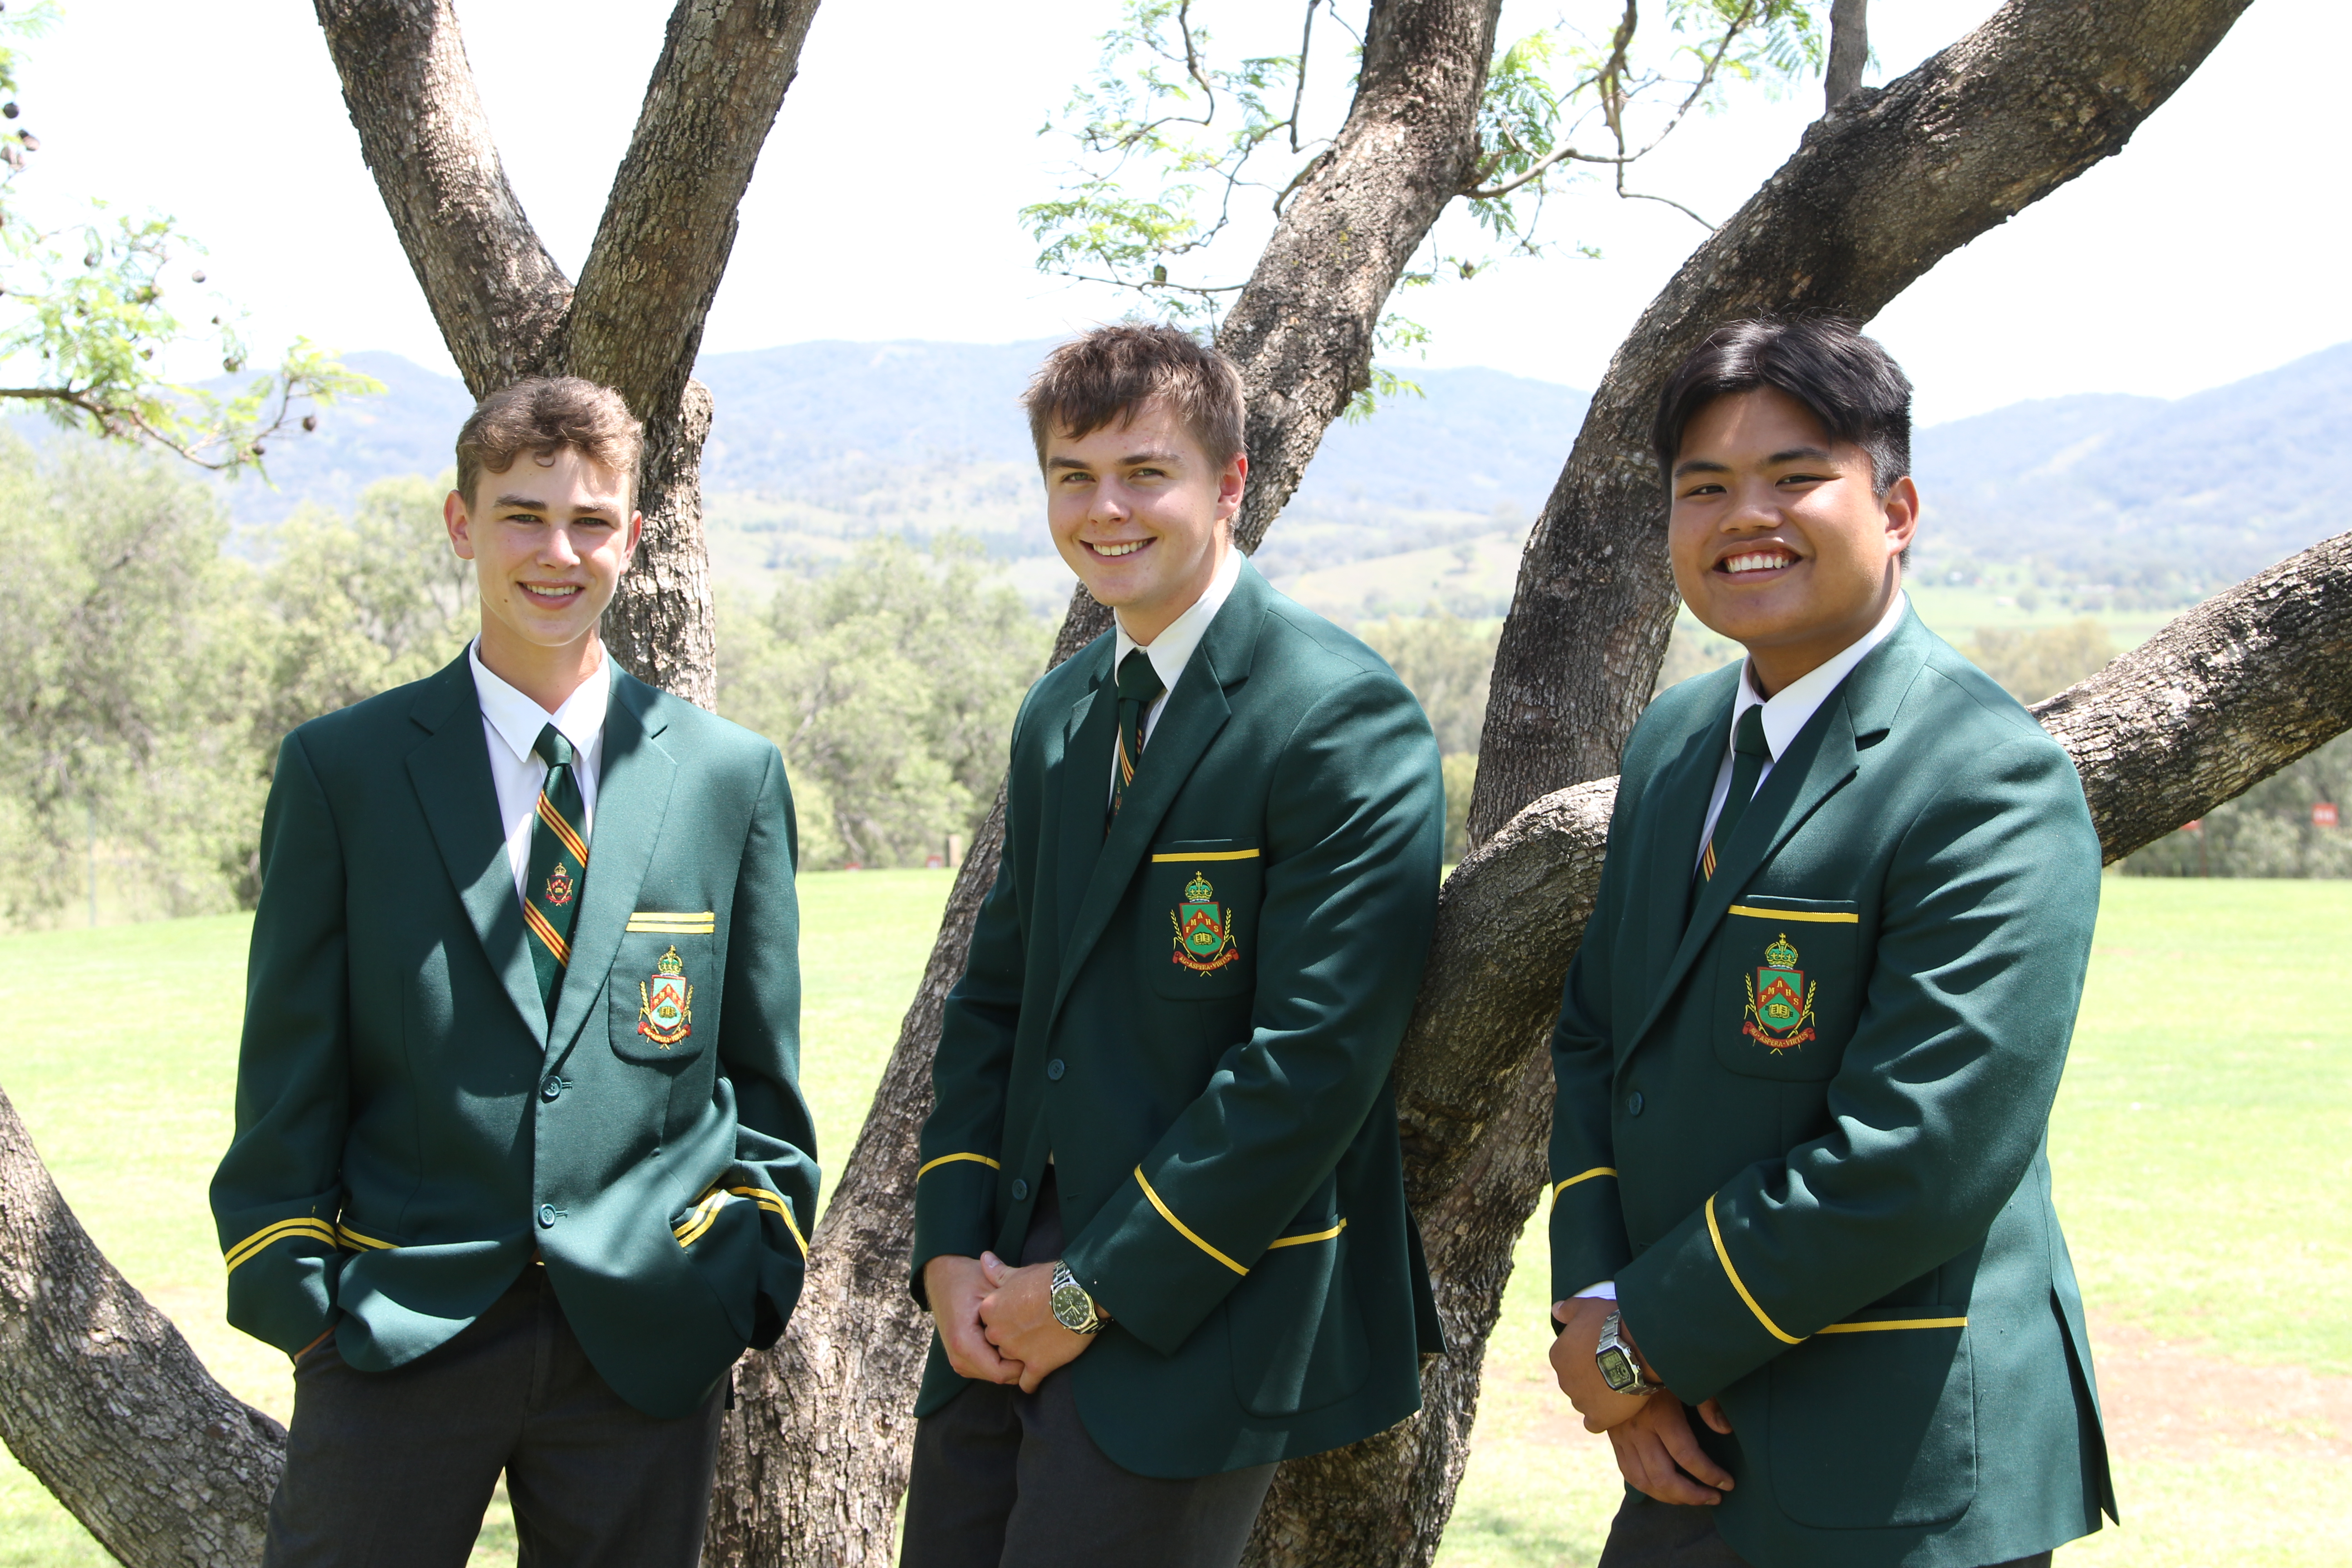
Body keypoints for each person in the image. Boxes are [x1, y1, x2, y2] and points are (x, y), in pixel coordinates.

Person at [210, 377, 818, 1568]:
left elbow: (765, 1080)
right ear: (460, 524)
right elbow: (288, 1073)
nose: (559, 551)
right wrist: (302, 1301)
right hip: (397, 1325)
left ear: (632, 539)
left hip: (643, 1334)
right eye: (523, 515)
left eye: (592, 521)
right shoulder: (345, 772)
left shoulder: (725, 778)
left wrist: (739, 1276)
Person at [1542, 318, 2116, 1568]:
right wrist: (1596, 1311)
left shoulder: (1986, 779)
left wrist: (1644, 1337)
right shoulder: (1674, 744)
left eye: (1796, 477)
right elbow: (1599, 1040)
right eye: (1706, 488)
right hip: (1679, 1441)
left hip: (1895, 1467)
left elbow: (1916, 1155)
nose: (1748, 516)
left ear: (1897, 507)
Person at [900, 323, 1447, 1568]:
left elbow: (1312, 1066)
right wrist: (946, 1250)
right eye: (1071, 476)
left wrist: (1096, 1287)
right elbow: (995, 1003)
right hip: (996, 1297)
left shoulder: (1338, 717)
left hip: (1190, 1301)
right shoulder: (1062, 712)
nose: (1105, 509)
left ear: (1232, 483)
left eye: (1146, 472)